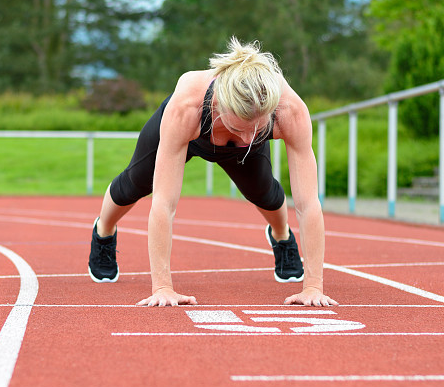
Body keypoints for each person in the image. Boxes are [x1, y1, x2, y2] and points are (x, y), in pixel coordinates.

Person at [88, 37, 338, 307]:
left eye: (256, 127)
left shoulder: (290, 111)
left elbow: (308, 203)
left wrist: (313, 287)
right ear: (220, 106)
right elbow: (164, 202)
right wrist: (162, 288)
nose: (246, 137)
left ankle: (281, 236)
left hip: (241, 130)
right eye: (239, 127)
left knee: (264, 191)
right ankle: (104, 230)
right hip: (193, 133)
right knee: (135, 183)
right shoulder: (187, 108)